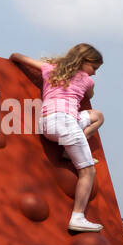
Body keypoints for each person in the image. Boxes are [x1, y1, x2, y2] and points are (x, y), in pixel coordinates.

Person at [10, 45, 105, 233]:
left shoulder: (50, 69)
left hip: (47, 123)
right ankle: (78, 216)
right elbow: (90, 94)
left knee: (97, 115)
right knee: (88, 171)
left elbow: (17, 56)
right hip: (66, 123)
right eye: (94, 68)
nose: (94, 73)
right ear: (84, 61)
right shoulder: (87, 81)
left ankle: (69, 151)